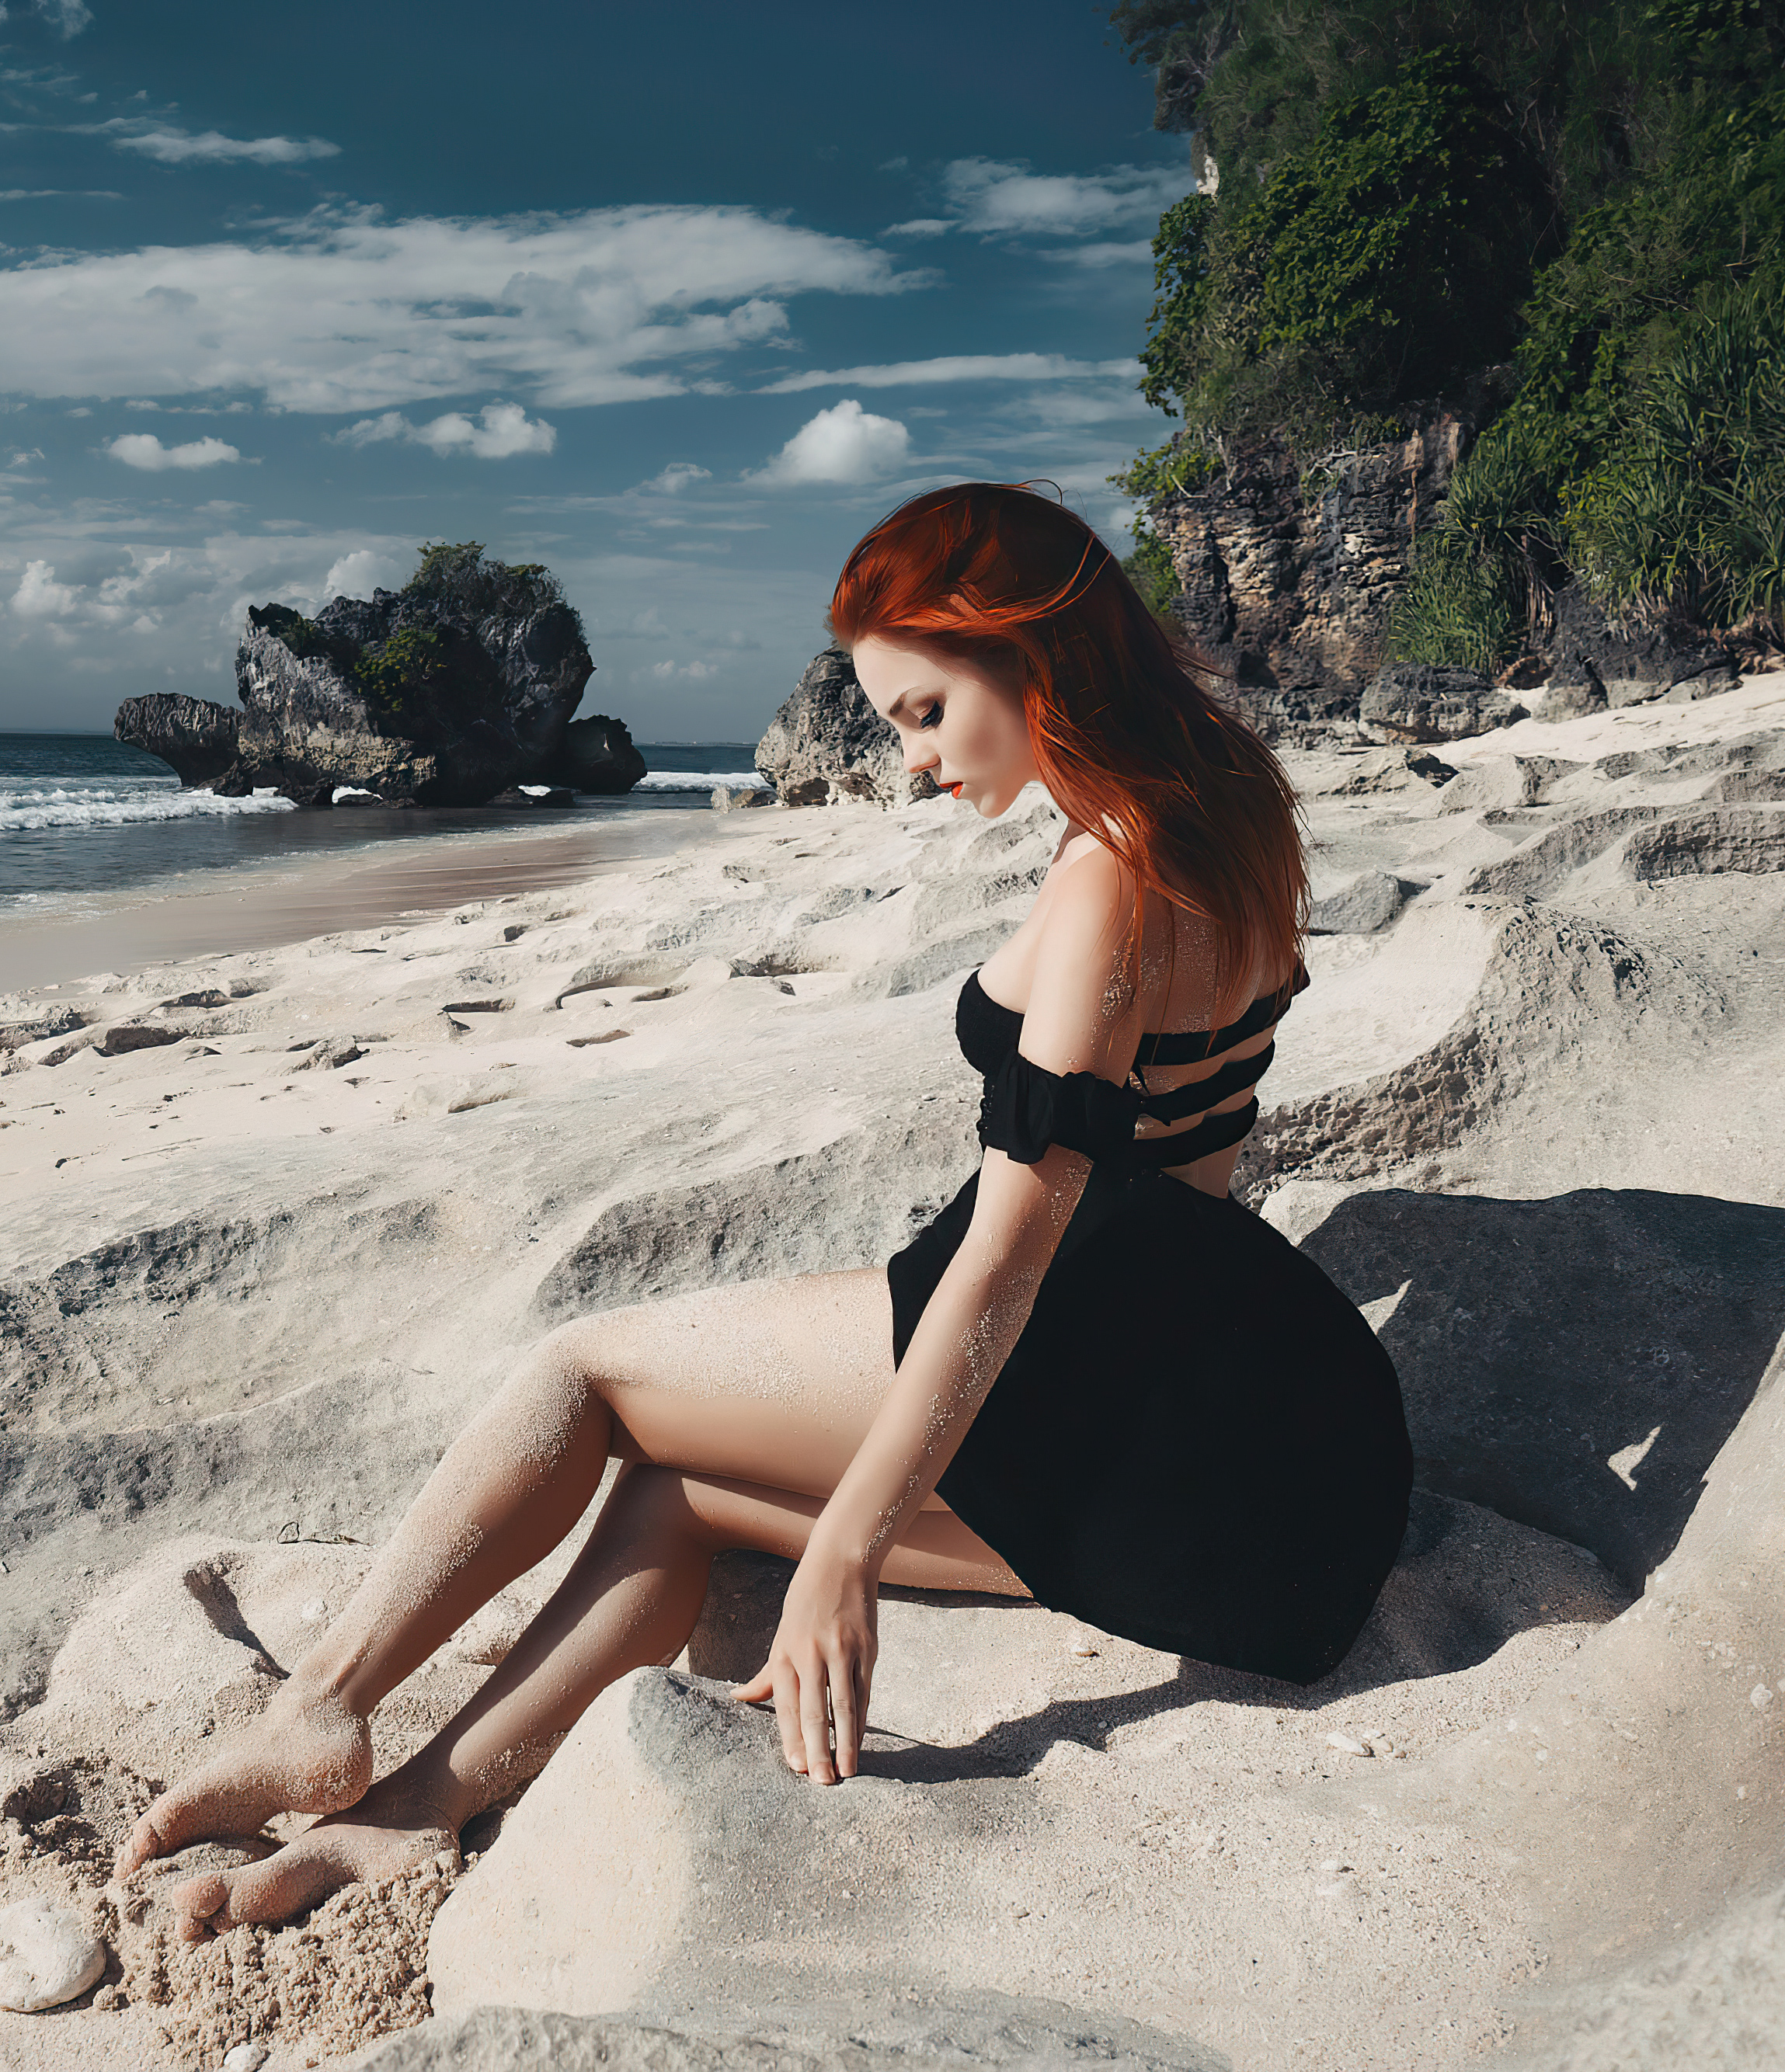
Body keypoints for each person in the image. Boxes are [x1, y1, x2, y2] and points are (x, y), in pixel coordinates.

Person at [111, 481, 1414, 1935]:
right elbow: (1198, 1157)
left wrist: (848, 1552)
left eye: (926, 711)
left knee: (583, 1371)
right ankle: (417, 1810)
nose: (916, 763)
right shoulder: (1238, 798)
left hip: (1087, 1385)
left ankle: (324, 1704)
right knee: (676, 1497)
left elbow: (1003, 1260)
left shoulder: (1112, 869)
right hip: (1248, 1476)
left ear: (1030, 654)